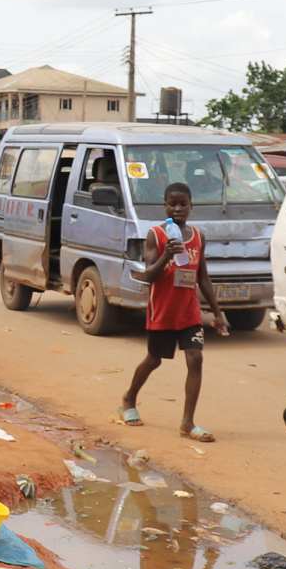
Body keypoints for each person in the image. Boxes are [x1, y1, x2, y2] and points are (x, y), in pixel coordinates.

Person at [117, 183, 229, 441]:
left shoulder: (198, 237)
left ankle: (188, 423)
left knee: (195, 359)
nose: (177, 209)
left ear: (191, 207)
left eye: (182, 204)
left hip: (188, 311)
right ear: (165, 206)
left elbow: (203, 278)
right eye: (172, 204)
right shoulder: (156, 235)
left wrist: (217, 313)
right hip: (163, 311)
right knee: (154, 359)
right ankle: (129, 397)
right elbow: (149, 275)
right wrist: (166, 255)